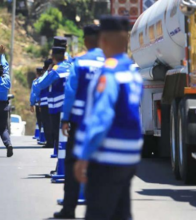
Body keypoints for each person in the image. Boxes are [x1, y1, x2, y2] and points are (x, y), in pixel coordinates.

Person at [73, 16, 143, 220]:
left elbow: (101, 118)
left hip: (106, 158)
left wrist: (84, 155)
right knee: (121, 214)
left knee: (98, 214)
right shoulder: (132, 72)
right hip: (129, 158)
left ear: (102, 41)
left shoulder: (109, 74)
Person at [53, 24, 104, 219]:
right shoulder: (112, 63)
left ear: (85, 40)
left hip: (80, 124)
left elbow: (70, 92)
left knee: (73, 165)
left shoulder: (80, 63)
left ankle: (69, 210)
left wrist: (65, 119)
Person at [33, 46, 73, 154]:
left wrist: (48, 70)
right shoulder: (72, 67)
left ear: (53, 57)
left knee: (58, 133)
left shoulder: (55, 70)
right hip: (71, 105)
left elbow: (41, 84)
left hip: (57, 107)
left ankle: (60, 162)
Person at [38, 59, 53, 148]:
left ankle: (50, 142)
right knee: (52, 123)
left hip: (45, 103)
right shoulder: (55, 73)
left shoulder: (46, 75)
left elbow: (39, 86)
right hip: (53, 102)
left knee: (47, 123)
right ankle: (53, 141)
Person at [30, 67, 44, 142]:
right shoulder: (46, 80)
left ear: (37, 73)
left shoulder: (35, 81)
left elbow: (33, 94)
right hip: (48, 103)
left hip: (39, 104)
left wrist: (32, 104)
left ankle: (41, 137)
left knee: (40, 120)